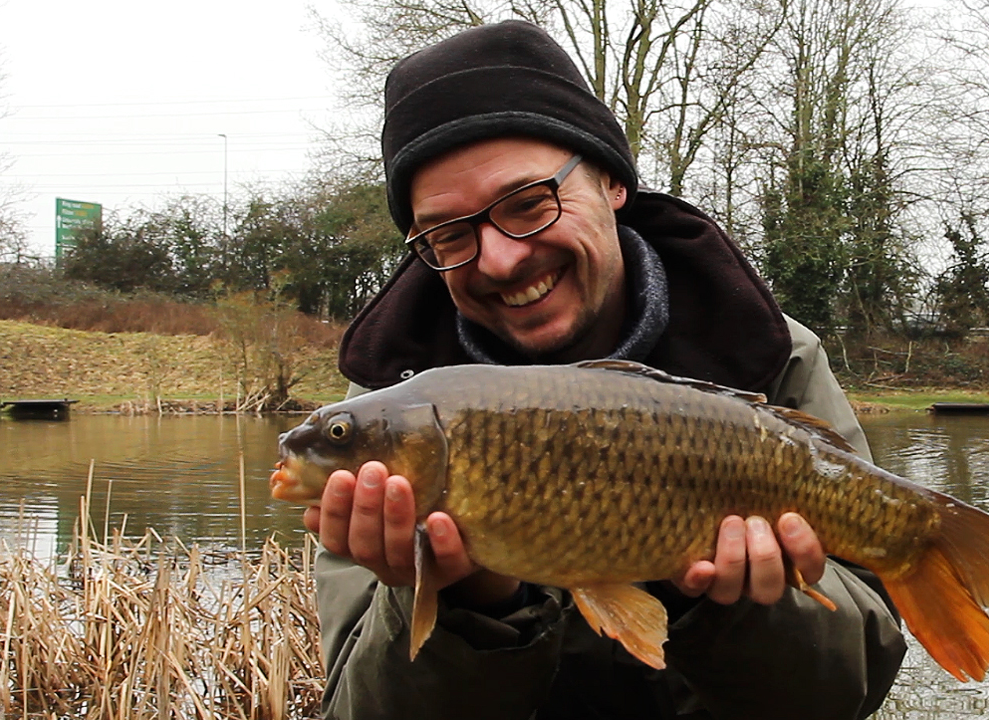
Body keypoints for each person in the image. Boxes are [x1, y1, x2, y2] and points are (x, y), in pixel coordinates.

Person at [303, 19, 907, 719]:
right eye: (447, 234)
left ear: (612, 181)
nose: (500, 259)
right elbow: (355, 711)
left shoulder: (767, 355)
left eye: (528, 205)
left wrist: (730, 607)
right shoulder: (385, 416)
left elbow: (850, 688)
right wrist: (469, 601)